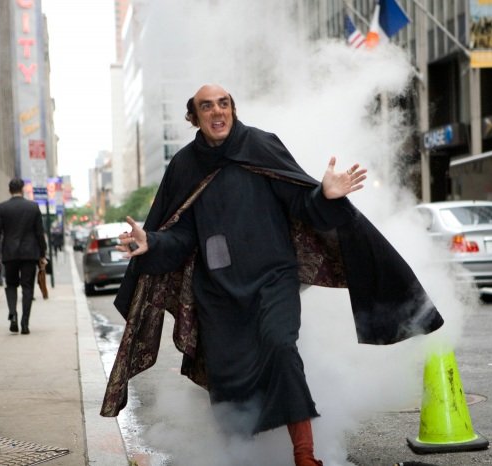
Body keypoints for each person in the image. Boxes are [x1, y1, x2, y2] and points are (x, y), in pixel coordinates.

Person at [101, 84, 444, 465]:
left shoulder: (262, 145)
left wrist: (324, 195)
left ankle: (305, 456)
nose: (217, 111)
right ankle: (239, 455)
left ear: (232, 109)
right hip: (216, 292)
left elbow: (301, 203)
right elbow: (181, 237)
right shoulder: (185, 165)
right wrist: (152, 242)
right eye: (206, 106)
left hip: (273, 279)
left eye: (224, 104)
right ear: (194, 117)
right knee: (225, 374)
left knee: (281, 349)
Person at [0, 178, 47, 335]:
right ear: (22, 189)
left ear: (10, 190)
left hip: (10, 253)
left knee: (11, 285)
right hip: (30, 253)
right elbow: (40, 233)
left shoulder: (2, 208)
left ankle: (13, 315)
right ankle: (25, 323)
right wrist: (42, 254)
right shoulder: (33, 207)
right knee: (27, 287)